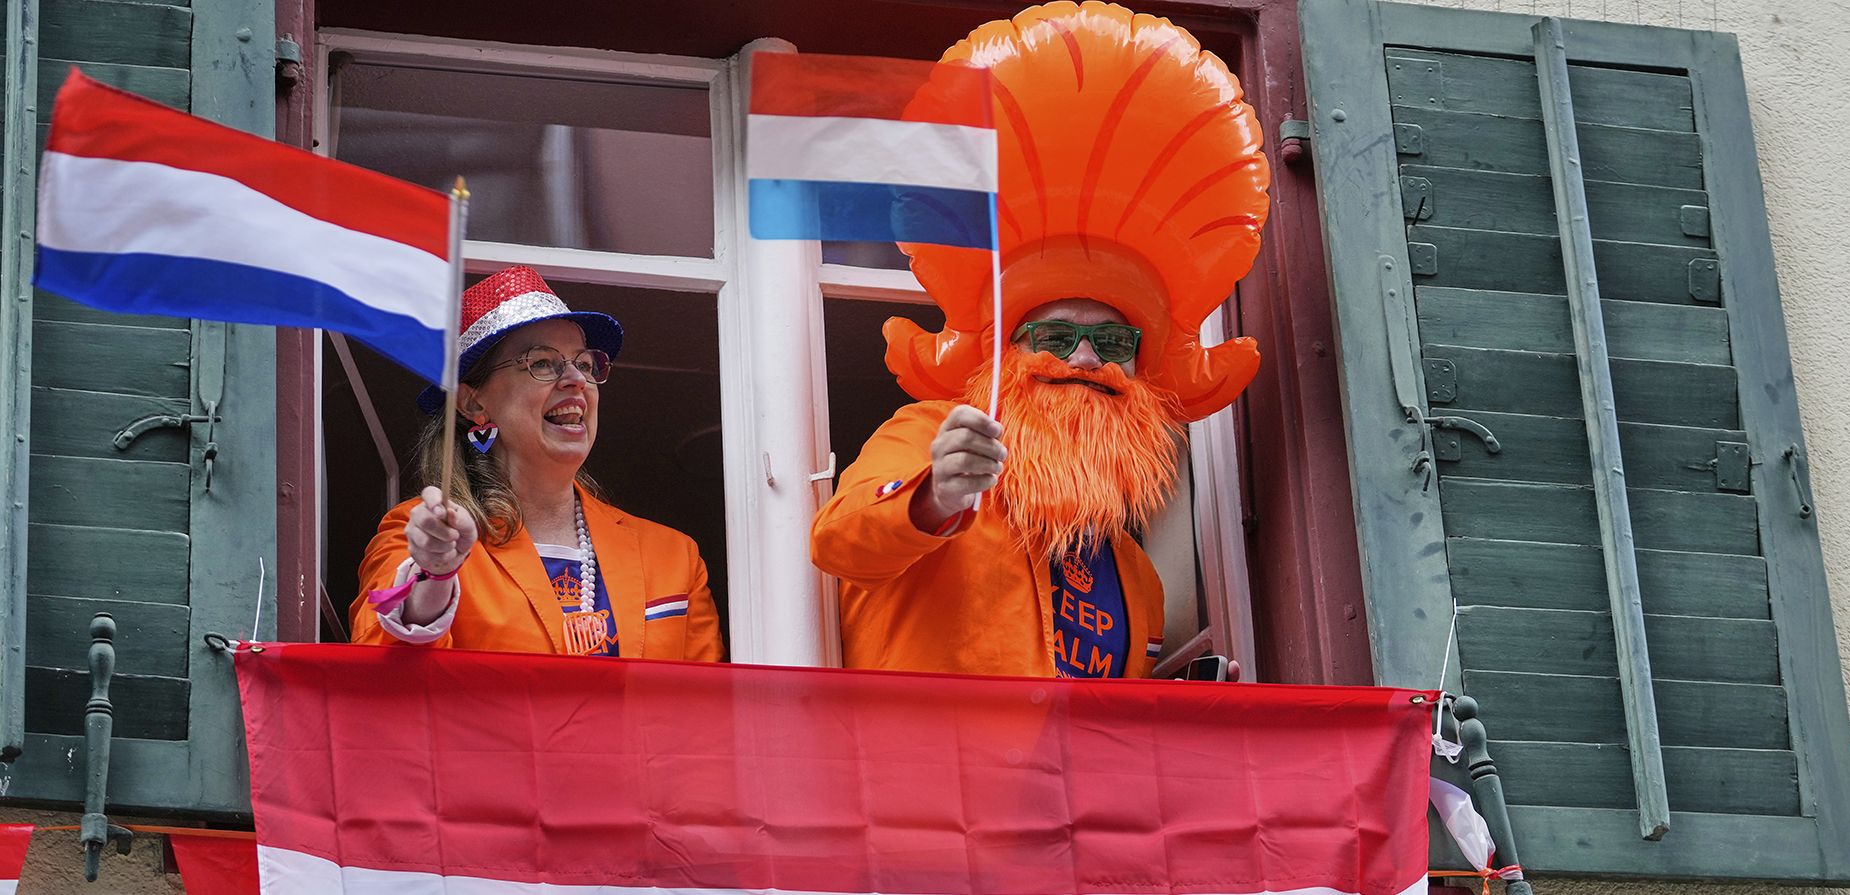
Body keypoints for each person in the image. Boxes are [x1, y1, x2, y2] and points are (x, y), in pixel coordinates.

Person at [810, 1, 1271, 679]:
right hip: (927, 785)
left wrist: (1180, 698)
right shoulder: (931, 433)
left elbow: (1101, 726)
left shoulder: (1134, 574)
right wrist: (937, 493)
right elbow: (840, 541)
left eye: (1112, 342)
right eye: (1055, 335)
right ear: (1009, 353)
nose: (1085, 360)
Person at [349, 266, 724, 660]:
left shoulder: (672, 556)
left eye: (585, 364)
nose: (576, 379)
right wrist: (434, 578)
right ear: (474, 402)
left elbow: (703, 709)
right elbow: (385, 674)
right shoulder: (423, 536)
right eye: (542, 363)